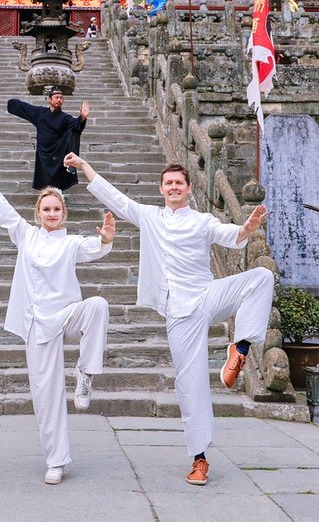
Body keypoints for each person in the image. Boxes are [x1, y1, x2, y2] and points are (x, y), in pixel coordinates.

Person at [62, 153, 272, 487]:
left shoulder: (202, 221)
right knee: (191, 386)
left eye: (179, 183)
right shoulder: (149, 216)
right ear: (161, 189)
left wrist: (245, 229)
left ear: (188, 189)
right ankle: (200, 459)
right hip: (179, 312)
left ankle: (241, 347)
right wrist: (85, 167)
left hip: (206, 294)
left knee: (260, 277)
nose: (174, 187)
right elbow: (115, 198)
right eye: (169, 183)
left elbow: (228, 234)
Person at [0, 166, 115, 485]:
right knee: (46, 395)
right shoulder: (25, 234)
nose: (52, 213)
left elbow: (95, 248)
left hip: (68, 314)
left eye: (57, 208)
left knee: (98, 305)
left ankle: (85, 373)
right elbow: (2, 208)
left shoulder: (71, 242)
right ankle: (56, 461)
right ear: (38, 212)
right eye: (46, 208)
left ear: (64, 212)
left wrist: (106, 240)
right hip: (37, 322)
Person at [7, 88, 89, 191]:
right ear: (49, 99)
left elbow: (75, 124)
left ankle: (71, 163)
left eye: (61, 98)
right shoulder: (40, 113)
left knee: (74, 131)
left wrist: (82, 118)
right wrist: (11, 103)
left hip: (58, 151)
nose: (59, 100)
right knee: (44, 177)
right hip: (44, 150)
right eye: (57, 97)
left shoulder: (64, 117)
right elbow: (25, 108)